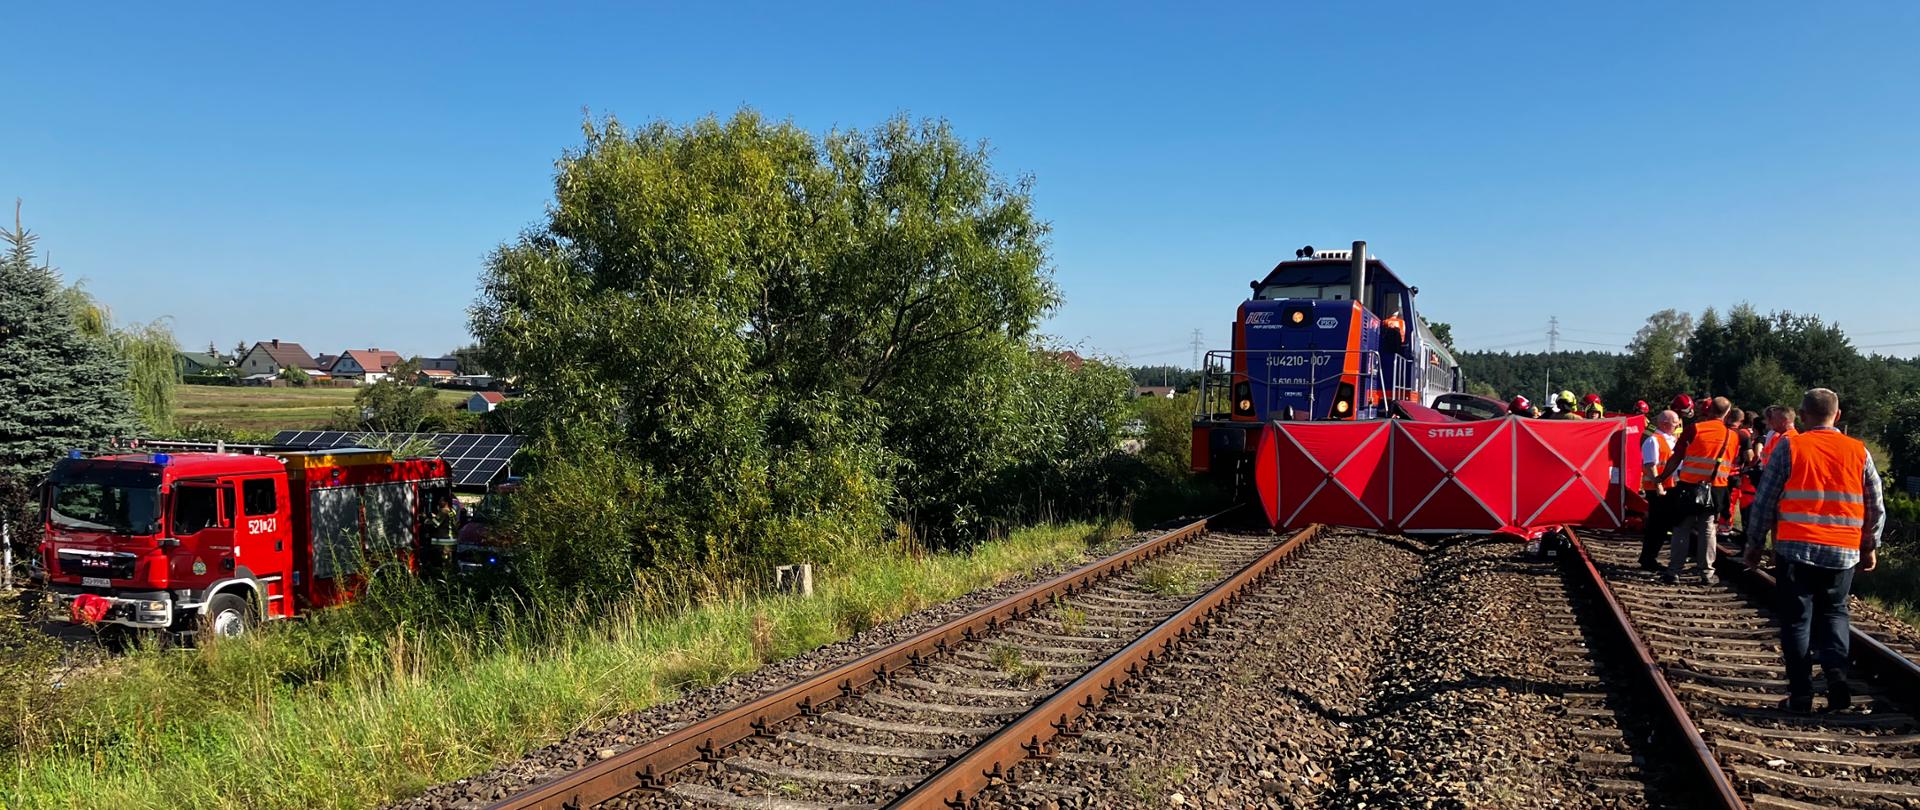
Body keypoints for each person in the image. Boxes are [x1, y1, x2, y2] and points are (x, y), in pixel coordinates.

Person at [1744, 388, 1884, 713]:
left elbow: (1764, 500)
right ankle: (1836, 679)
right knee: (1835, 613)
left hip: (1796, 549)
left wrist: (1754, 545)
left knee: (1797, 621)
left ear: (1804, 416)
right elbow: (1876, 505)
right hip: (1842, 552)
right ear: (1838, 415)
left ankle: (1802, 694)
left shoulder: (1792, 446)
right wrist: (1870, 546)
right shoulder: (1859, 451)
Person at [1657, 396, 1740, 585]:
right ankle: (1707, 573)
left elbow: (1677, 457)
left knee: (1681, 528)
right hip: (1717, 489)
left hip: (1689, 487)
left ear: (1708, 410)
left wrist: (1662, 477)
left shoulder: (1694, 429)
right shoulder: (1733, 436)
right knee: (1708, 529)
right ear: (1727, 413)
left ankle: (1674, 571)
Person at [1637, 409, 1684, 570]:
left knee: (1662, 525)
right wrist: (1658, 486)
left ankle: (1650, 558)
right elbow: (1650, 465)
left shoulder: (1670, 439)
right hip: (1660, 490)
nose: (1678, 424)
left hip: (1670, 487)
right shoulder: (1653, 440)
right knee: (1657, 525)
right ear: (1664, 424)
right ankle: (1648, 559)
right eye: (1675, 421)